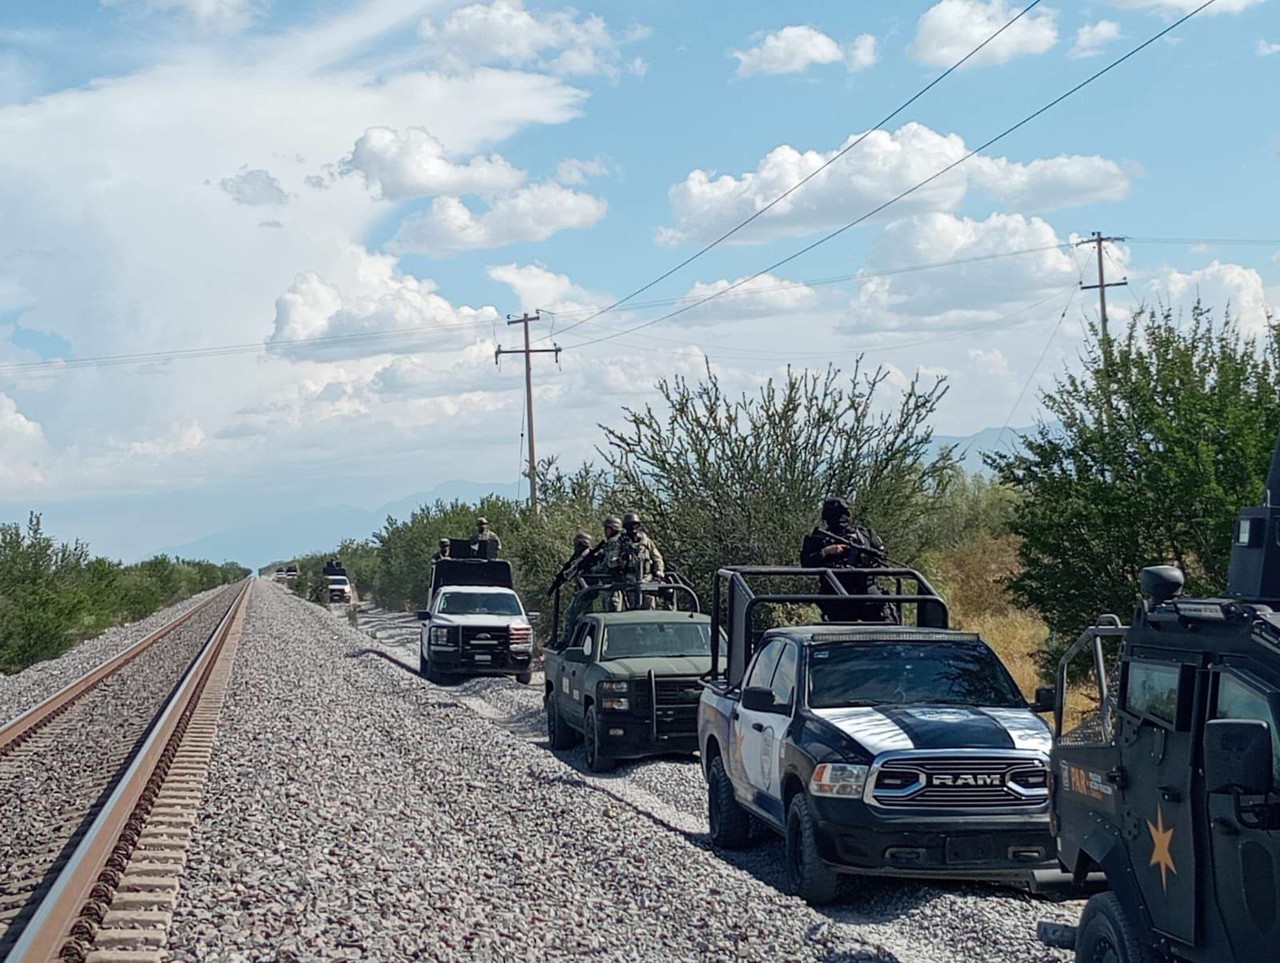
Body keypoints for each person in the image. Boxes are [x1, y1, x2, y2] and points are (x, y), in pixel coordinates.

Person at [800, 496, 896, 623]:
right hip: (836, 594)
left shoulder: (864, 534)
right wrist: (826, 551)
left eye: (843, 513)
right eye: (836, 514)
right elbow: (806, 563)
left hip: (866, 590)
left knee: (887, 627)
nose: (841, 518)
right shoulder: (819, 538)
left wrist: (866, 557)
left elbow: (882, 556)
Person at [548, 531, 593, 597]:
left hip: (585, 589)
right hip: (581, 589)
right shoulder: (579, 555)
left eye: (576, 543)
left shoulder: (585, 555)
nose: (575, 545)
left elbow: (575, 568)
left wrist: (564, 576)